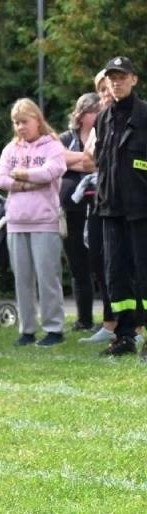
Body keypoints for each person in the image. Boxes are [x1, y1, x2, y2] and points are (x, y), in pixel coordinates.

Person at [86, 55, 147, 359]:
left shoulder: (145, 115)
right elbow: (100, 162)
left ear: (134, 79)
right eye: (112, 77)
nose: (116, 82)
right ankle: (124, 335)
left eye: (122, 76)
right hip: (110, 209)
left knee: (145, 273)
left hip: (141, 209)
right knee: (116, 274)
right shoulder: (103, 118)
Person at [0, 98, 67, 347]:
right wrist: (28, 183)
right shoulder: (11, 149)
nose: (20, 127)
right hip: (16, 220)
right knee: (22, 278)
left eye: (24, 121)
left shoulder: (53, 146)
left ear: (37, 120)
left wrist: (22, 174)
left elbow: (51, 172)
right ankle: (27, 329)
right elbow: (1, 178)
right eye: (16, 123)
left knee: (48, 277)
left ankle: (54, 328)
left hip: (45, 220)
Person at [60, 92, 106, 339]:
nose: (96, 116)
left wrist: (78, 162)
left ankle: (108, 320)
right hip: (72, 210)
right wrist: (88, 161)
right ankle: (84, 318)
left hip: (98, 207)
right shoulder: (66, 138)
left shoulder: (105, 134)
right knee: (78, 266)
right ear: (82, 114)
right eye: (93, 112)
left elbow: (102, 162)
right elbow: (58, 160)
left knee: (101, 263)